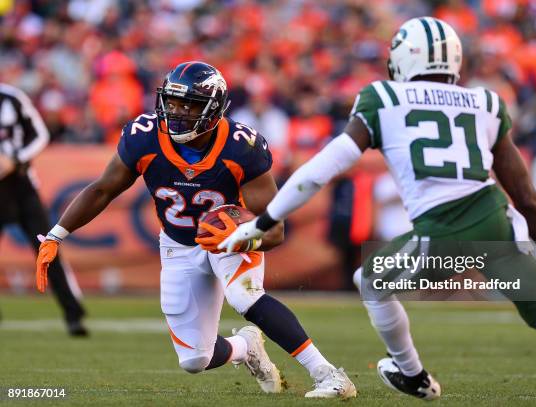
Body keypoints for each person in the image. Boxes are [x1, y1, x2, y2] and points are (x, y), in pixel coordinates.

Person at [220, 17, 536, 400]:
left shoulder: (384, 98)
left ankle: (413, 374)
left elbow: (322, 168)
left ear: (402, 60)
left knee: (371, 281)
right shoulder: (485, 102)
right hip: (496, 221)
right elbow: (527, 199)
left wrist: (266, 220)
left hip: (443, 228)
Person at [35, 62, 355, 399]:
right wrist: (56, 234)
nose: (176, 112)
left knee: (244, 295)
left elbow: (275, 230)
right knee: (194, 360)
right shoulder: (144, 136)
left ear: (214, 108)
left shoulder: (240, 147)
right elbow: (102, 189)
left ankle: (328, 374)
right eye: (172, 102)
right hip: (177, 243)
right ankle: (246, 347)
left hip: (232, 241)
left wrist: (242, 238)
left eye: (188, 105)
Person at [0, 83, 87, 336]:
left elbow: (39, 134)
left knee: (47, 249)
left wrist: (15, 159)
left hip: (20, 186)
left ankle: (73, 314)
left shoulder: (11, 98)